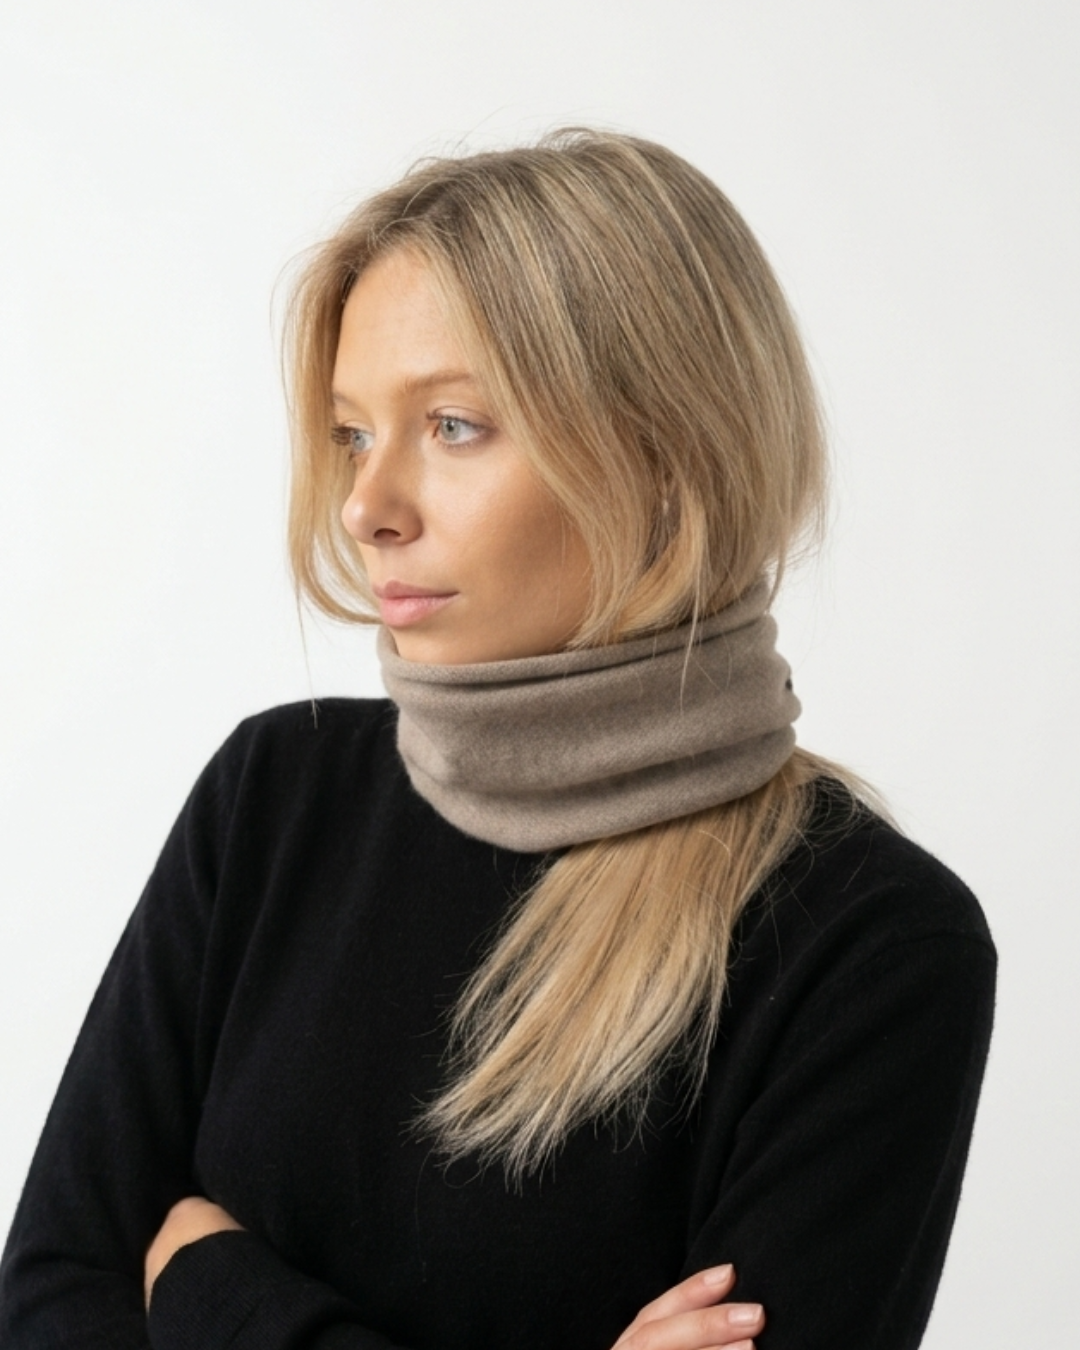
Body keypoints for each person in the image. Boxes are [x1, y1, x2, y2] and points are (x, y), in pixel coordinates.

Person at [0, 129, 995, 1350]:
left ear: (669, 458)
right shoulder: (274, 796)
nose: (366, 507)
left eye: (455, 425)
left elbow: (136, 1277)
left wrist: (215, 1291)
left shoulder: (873, 945)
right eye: (353, 433)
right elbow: (53, 1293)